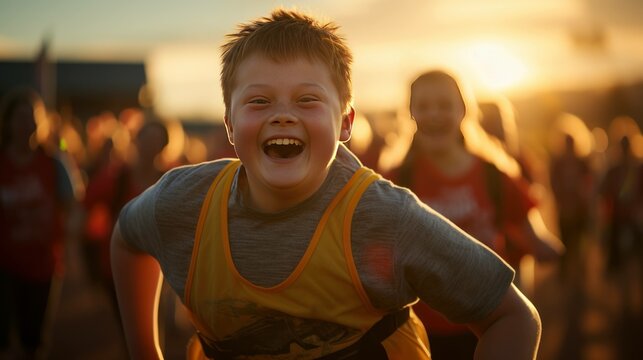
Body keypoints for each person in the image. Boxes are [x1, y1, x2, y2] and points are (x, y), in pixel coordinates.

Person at [111, 9, 542, 359]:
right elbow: (128, 237)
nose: (283, 115)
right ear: (229, 123)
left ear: (345, 122)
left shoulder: (384, 217)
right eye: (259, 101)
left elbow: (514, 318)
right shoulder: (184, 201)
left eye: (307, 99)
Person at [385, 70, 563, 360]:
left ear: (463, 110)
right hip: (419, 332)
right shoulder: (396, 180)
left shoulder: (495, 175)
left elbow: (531, 230)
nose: (434, 114)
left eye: (444, 105)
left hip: (488, 327)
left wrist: (547, 246)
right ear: (410, 113)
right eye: (424, 106)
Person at [0, 87, 75, 359]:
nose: (25, 125)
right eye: (19, 118)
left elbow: (70, 204)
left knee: (34, 339)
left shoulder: (54, 163)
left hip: (43, 264)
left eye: (31, 118)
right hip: (4, 265)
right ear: (7, 122)